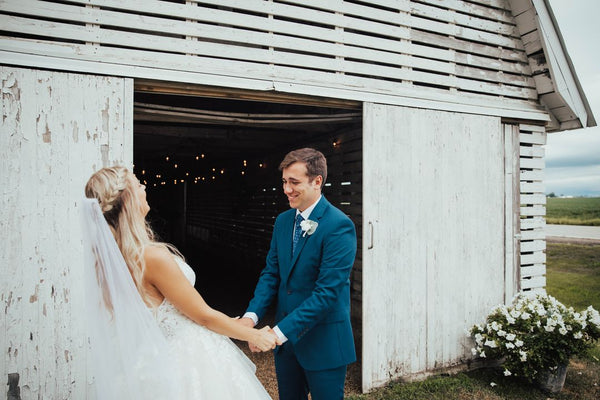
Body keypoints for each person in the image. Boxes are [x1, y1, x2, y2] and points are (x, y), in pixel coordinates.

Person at [83, 166, 276, 399]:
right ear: (128, 199)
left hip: (151, 355)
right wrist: (254, 336)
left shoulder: (110, 260)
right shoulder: (150, 257)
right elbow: (202, 315)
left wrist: (230, 324)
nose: (144, 186)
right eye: (137, 183)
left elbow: (167, 311)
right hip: (185, 358)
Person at [239, 148, 358, 400]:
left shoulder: (339, 226)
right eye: (284, 181)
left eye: (294, 182)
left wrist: (276, 333)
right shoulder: (283, 221)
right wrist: (251, 316)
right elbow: (272, 273)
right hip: (287, 348)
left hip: (324, 342)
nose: (286, 189)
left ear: (317, 181)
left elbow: (326, 294)